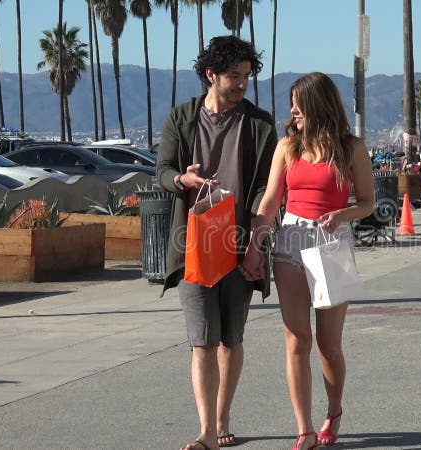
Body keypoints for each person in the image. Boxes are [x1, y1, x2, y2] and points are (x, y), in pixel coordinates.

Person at [156, 35, 278, 450]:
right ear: (211, 74)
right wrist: (181, 180)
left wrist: (257, 244)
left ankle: (223, 414)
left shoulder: (260, 124)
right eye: (234, 76)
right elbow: (162, 170)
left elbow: (267, 186)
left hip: (240, 244)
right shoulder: (182, 118)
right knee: (202, 340)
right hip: (192, 244)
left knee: (231, 338)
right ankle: (207, 429)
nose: (242, 83)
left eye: (246, 76)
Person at [241, 72, 374, 450]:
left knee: (328, 343)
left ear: (318, 105)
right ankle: (305, 429)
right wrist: (255, 244)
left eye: (299, 104)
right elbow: (270, 200)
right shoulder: (287, 146)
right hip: (290, 241)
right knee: (295, 339)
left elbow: (367, 203)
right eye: (292, 105)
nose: (293, 111)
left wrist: (342, 215)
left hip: (332, 242)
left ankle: (333, 411)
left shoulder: (353, 148)